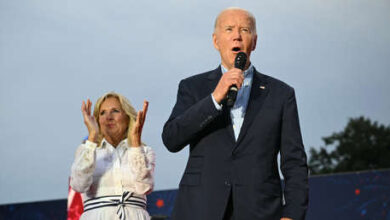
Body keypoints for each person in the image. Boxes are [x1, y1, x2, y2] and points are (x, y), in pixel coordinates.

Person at [162, 7, 308, 220]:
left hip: (259, 211)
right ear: (216, 41)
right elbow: (171, 139)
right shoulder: (193, 87)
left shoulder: (281, 94)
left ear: (254, 42)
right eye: (229, 29)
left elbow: (294, 162)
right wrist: (214, 99)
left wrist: (292, 214)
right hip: (200, 209)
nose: (237, 36)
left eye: (245, 30)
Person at [71, 92, 155, 220]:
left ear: (127, 118)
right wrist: (92, 137)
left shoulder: (144, 151)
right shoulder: (87, 151)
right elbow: (78, 185)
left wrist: (135, 142)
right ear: (97, 120)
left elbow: (144, 186)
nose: (108, 117)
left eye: (115, 111)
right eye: (102, 113)